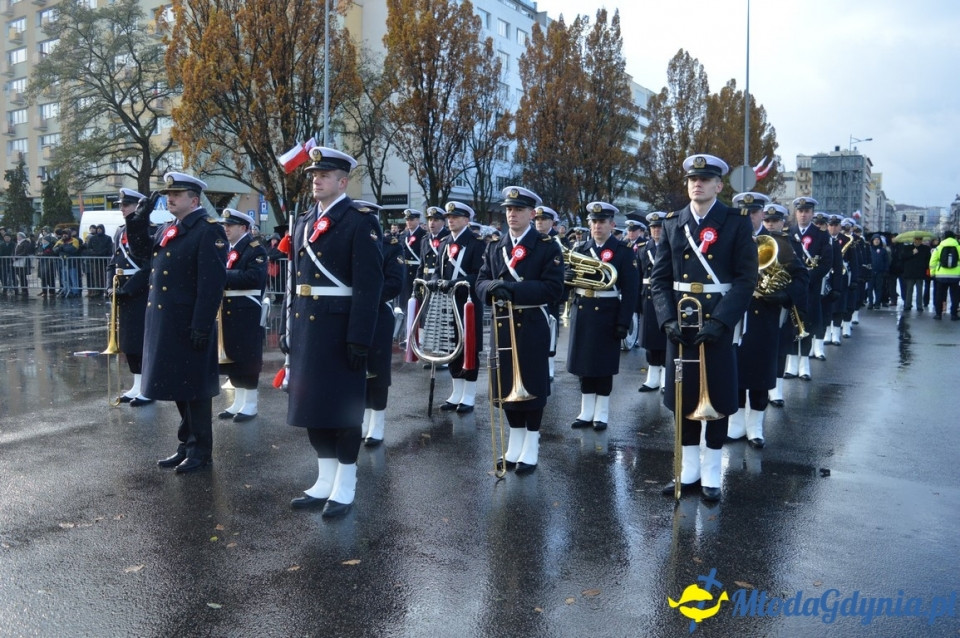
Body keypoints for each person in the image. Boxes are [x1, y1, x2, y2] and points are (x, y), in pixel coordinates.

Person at [650, 154, 757, 502]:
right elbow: (660, 280)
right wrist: (666, 318)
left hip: (717, 323)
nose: (697, 184)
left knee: (719, 398)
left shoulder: (736, 221)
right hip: (681, 324)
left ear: (719, 185)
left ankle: (712, 473)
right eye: (693, 179)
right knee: (684, 398)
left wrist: (722, 321)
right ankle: (687, 471)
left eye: (706, 178)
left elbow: (745, 280)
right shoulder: (672, 222)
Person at [283, 147, 383, 516]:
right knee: (312, 408)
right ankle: (324, 479)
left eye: (324, 175)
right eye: (313, 175)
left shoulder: (360, 220)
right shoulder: (305, 219)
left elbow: (369, 285)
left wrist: (360, 336)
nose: (316, 179)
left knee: (342, 412)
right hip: (307, 326)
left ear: (343, 181)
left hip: (340, 329)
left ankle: (346, 483)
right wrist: (286, 327)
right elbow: (296, 281)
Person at [126, 172, 228, 474]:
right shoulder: (172, 228)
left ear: (194, 200)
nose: (169, 198)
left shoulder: (207, 230)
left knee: (194, 389)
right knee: (178, 386)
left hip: (188, 322)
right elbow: (143, 254)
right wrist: (137, 221)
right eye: (168, 194)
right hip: (166, 321)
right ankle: (186, 444)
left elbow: (212, 284)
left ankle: (201, 451)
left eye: (177, 194)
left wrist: (201, 324)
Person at [476, 186, 564, 474]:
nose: (512, 214)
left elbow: (553, 289)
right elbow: (480, 282)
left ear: (531, 214)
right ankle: (514, 445)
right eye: (509, 210)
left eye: (519, 210)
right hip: (502, 325)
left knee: (532, 386)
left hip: (531, 324)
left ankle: (532, 446)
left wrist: (511, 289)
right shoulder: (494, 246)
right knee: (506, 387)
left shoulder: (546, 246)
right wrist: (491, 288)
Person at [726, 194, 807, 448]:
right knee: (735, 370)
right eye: (745, 212)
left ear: (762, 214)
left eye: (754, 212)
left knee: (760, 372)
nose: (750, 216)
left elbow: (802, 276)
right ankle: (736, 425)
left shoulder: (780, 243)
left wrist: (785, 295)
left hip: (765, 315)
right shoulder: (728, 238)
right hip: (736, 314)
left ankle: (756, 427)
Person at [566, 201, 639, 432]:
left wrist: (623, 322)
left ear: (611, 224)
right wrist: (564, 277)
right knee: (584, 365)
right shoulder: (579, 249)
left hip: (608, 313)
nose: (597, 226)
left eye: (601, 222)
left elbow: (630, 291)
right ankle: (586, 411)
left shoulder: (623, 251)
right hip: (583, 310)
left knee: (604, 366)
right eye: (593, 222)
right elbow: (566, 286)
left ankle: (602, 413)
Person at [359, 201, 404, 447]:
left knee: (377, 370)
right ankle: (363, 420)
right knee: (357, 369)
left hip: (377, 312)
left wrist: (367, 298)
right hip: (353, 312)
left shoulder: (390, 246)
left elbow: (395, 282)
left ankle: (377, 424)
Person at [217, 208, 268, 423]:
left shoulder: (255, 249)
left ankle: (251, 403)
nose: (226, 228)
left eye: (231, 225)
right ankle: (238, 401)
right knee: (233, 356)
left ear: (244, 228)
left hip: (247, 308)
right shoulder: (226, 249)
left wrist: (222, 275)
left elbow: (253, 277)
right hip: (229, 307)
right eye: (225, 225)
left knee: (248, 357)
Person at [433, 201, 485, 413]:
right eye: (448, 217)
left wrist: (455, 283)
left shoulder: (475, 242)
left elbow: (479, 275)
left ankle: (469, 395)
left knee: (469, 347)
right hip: (448, 301)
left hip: (468, 304)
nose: (450, 220)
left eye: (455, 217)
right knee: (451, 346)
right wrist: (436, 281)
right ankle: (456, 393)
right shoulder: (444, 243)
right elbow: (438, 270)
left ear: (466, 220)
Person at [108, 188, 155, 406]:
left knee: (142, 340)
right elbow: (113, 262)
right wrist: (111, 287)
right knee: (129, 342)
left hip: (140, 291)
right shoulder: (119, 232)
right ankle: (136, 384)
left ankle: (147, 386)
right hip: (123, 290)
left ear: (138, 206)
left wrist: (129, 288)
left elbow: (149, 266)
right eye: (120, 205)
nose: (122, 208)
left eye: (126, 204)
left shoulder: (151, 231)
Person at [784, 199, 835, 379]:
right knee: (791, 324)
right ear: (795, 213)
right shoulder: (788, 233)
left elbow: (827, 263)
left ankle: (804, 365)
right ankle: (791, 364)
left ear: (812, 213)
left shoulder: (821, 235)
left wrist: (807, 277)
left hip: (810, 288)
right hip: (790, 287)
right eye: (800, 211)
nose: (803, 214)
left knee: (807, 323)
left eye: (807, 211)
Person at [638, 212, 667, 392]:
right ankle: (652, 377)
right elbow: (638, 276)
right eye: (653, 227)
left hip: (664, 297)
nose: (656, 230)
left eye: (659, 227)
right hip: (647, 297)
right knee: (649, 340)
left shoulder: (669, 247)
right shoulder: (643, 249)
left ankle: (665, 377)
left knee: (663, 339)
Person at [533, 205, 562, 380]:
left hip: (549, 294)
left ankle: (550, 366)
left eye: (543, 219)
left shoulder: (556, 242)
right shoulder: (533, 239)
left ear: (552, 222)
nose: (539, 222)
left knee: (550, 331)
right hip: (534, 293)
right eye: (537, 219)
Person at [929, 230, 960, 320]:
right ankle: (953, 314)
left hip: (941, 276)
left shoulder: (939, 247)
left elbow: (933, 261)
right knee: (955, 296)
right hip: (955, 276)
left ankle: (938, 314)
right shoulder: (958, 247)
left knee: (940, 295)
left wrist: (932, 273)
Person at [398, 209, 425, 309]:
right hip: (405, 272)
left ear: (418, 220)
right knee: (404, 303)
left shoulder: (423, 235)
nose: (409, 222)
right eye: (407, 220)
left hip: (416, 271)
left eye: (412, 219)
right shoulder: (403, 235)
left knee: (417, 302)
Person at [899, 235, 932, 311]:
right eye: (916, 239)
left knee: (919, 290)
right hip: (910, 272)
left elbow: (928, 260)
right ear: (913, 239)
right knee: (909, 290)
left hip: (920, 272)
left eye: (920, 239)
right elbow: (902, 257)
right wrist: (912, 253)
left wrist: (927, 270)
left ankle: (919, 306)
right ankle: (908, 305)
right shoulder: (907, 248)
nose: (918, 241)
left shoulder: (925, 249)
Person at [13, 232, 33, 296]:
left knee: (23, 276)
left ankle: (25, 290)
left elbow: (25, 252)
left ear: (21, 236)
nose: (17, 237)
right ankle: (23, 289)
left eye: (18, 236)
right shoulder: (18, 243)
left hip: (23, 262)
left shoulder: (25, 243)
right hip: (18, 262)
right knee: (20, 276)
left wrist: (16, 257)